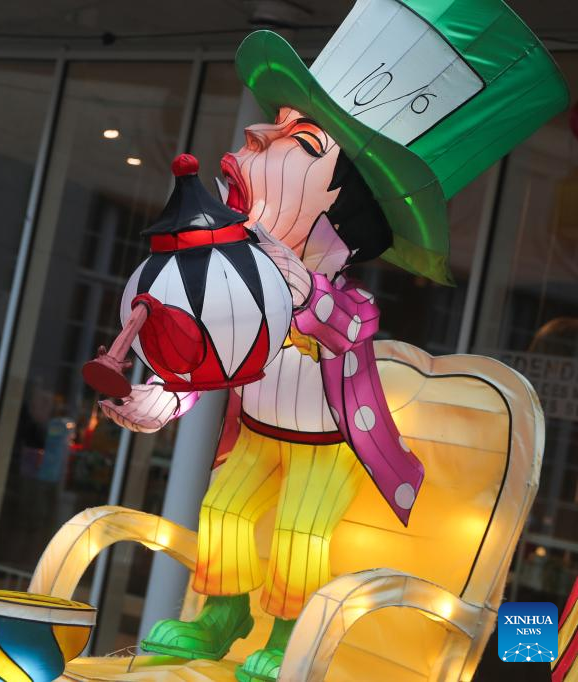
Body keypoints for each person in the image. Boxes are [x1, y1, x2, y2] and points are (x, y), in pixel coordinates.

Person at [101, 0, 568, 678]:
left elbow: (345, 331)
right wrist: (163, 397)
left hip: (325, 446)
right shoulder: (240, 285)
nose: (256, 130)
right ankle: (224, 615)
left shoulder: (343, 301)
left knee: (301, 529)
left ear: (335, 205)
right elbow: (211, 356)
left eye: (299, 140)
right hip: (257, 435)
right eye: (277, 122)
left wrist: (303, 294)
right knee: (223, 509)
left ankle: (286, 634)